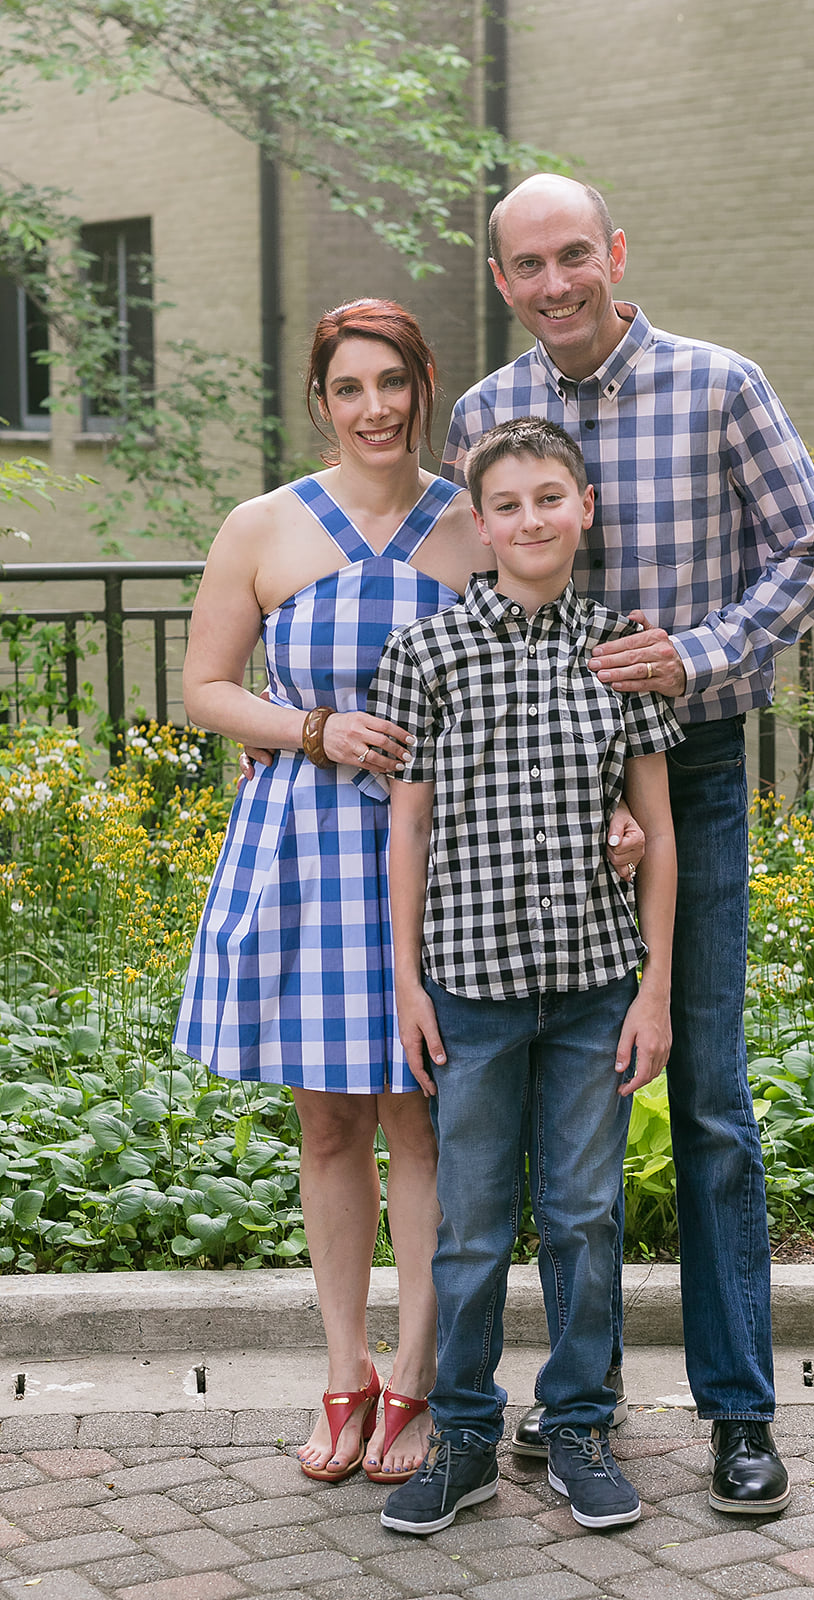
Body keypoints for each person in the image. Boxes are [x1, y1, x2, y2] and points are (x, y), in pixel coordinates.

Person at [174, 298, 644, 1487]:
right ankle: (344, 1370)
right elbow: (205, 688)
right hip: (306, 846)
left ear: (424, 388)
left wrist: (607, 804)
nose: (373, 407)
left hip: (449, 861)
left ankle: (418, 1377)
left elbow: (542, 666)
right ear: (320, 401)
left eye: (392, 382)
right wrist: (309, 728)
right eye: (349, 387)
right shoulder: (263, 526)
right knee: (328, 1120)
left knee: (419, 1117)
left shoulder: (472, 520)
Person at [443, 175, 814, 1515]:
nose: (555, 283)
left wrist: (697, 652)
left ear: (613, 253)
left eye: (574, 254)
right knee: (571, 1101)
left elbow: (813, 549)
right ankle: (585, 1397)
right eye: (527, 265)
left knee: (708, 1095)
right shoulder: (484, 415)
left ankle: (738, 1412)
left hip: (697, 769)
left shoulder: (718, 385)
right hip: (542, 801)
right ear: (500, 280)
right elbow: (473, 601)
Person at [368, 417, 680, 1535]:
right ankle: (462, 1435)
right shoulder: (428, 654)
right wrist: (407, 984)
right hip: (469, 989)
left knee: (585, 1215)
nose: (531, 518)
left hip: (594, 987)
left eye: (551, 497)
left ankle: (578, 1424)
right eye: (507, 504)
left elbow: (655, 828)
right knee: (470, 1223)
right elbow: (407, 831)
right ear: (480, 523)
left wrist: (653, 989)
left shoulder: (619, 649)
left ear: (583, 509)